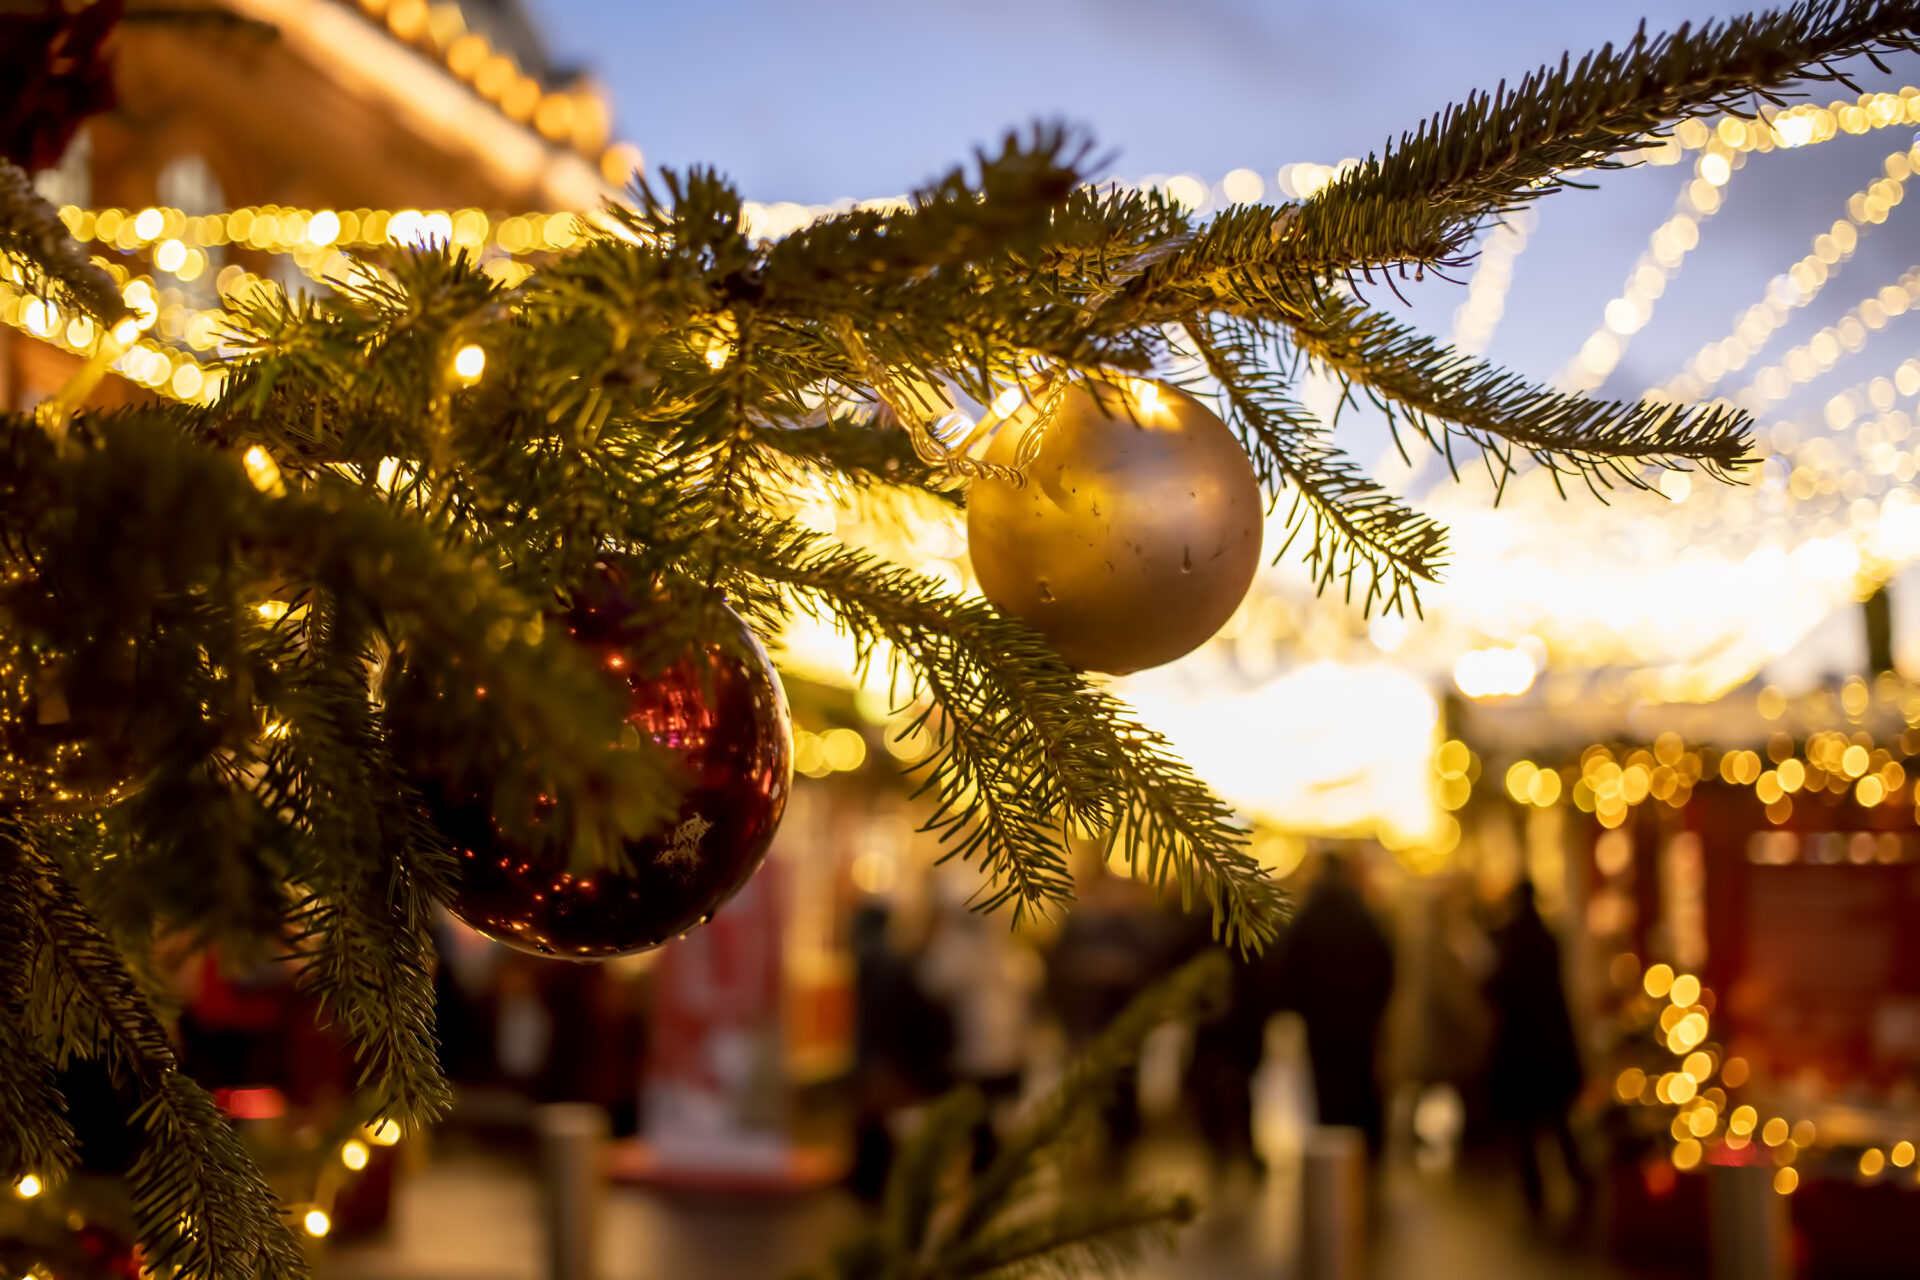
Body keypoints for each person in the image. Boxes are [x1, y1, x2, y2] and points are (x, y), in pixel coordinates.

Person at [1271, 851, 1395, 1161]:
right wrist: (1376, 1007)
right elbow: (1385, 963)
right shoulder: (1361, 913)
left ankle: (1333, 1152)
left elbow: (1286, 966)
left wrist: (1296, 1007)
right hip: (1359, 1019)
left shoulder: (1308, 916)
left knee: (1327, 1088)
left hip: (1321, 1020)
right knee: (1362, 1081)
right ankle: (1369, 1146)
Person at [1483, 879, 1592, 1220]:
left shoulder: (1512, 939)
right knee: (1559, 1125)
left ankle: (1535, 1195)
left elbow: (1498, 988)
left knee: (1527, 1129)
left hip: (1523, 1049)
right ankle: (1582, 1184)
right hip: (1550, 1047)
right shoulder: (1548, 936)